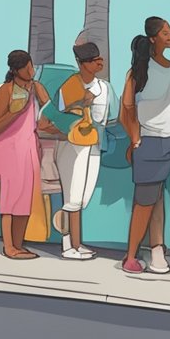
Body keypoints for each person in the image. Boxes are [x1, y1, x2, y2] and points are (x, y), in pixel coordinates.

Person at [119, 17, 170, 274]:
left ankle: (157, 249)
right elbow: (125, 109)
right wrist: (135, 137)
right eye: (165, 33)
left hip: (166, 141)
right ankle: (131, 256)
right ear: (153, 38)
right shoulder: (139, 70)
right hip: (148, 143)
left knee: (155, 197)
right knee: (145, 201)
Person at [0, 51, 58, 259]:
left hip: (29, 150)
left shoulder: (37, 88)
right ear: (15, 70)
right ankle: (9, 247)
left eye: (31, 66)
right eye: (26, 68)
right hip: (7, 151)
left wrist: (61, 127)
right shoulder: (6, 90)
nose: (30, 71)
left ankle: (18, 244)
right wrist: (16, 111)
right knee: (9, 201)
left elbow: (47, 115)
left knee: (26, 200)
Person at [52, 41, 115, 260]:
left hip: (94, 145)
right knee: (72, 197)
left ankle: (77, 243)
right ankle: (69, 245)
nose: (98, 62)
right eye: (91, 60)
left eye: (98, 58)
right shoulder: (70, 85)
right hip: (73, 145)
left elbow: (109, 117)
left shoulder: (104, 88)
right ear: (80, 63)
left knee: (83, 197)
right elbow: (55, 115)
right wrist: (82, 104)